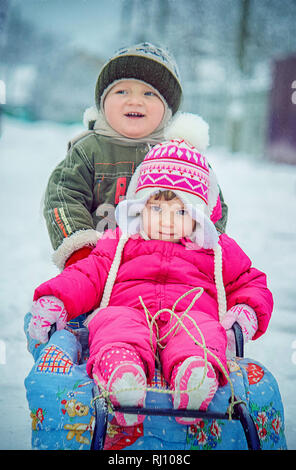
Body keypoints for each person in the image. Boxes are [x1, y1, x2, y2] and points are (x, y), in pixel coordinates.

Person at [29, 119, 273, 427]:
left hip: (188, 316)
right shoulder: (120, 243)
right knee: (112, 322)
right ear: (140, 207)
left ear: (198, 215)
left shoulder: (215, 249)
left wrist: (247, 309)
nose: (167, 220)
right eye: (157, 209)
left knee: (202, 330)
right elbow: (87, 274)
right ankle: (123, 377)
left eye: (181, 212)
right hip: (130, 312)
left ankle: (194, 377)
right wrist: (57, 299)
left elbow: (250, 281)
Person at [42, 42, 228, 271]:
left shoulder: (180, 156)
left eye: (149, 93)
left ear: (168, 108)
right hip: (97, 266)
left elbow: (211, 206)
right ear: (102, 102)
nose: (135, 101)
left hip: (166, 271)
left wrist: (202, 250)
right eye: (122, 91)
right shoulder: (89, 150)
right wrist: (80, 252)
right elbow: (63, 197)